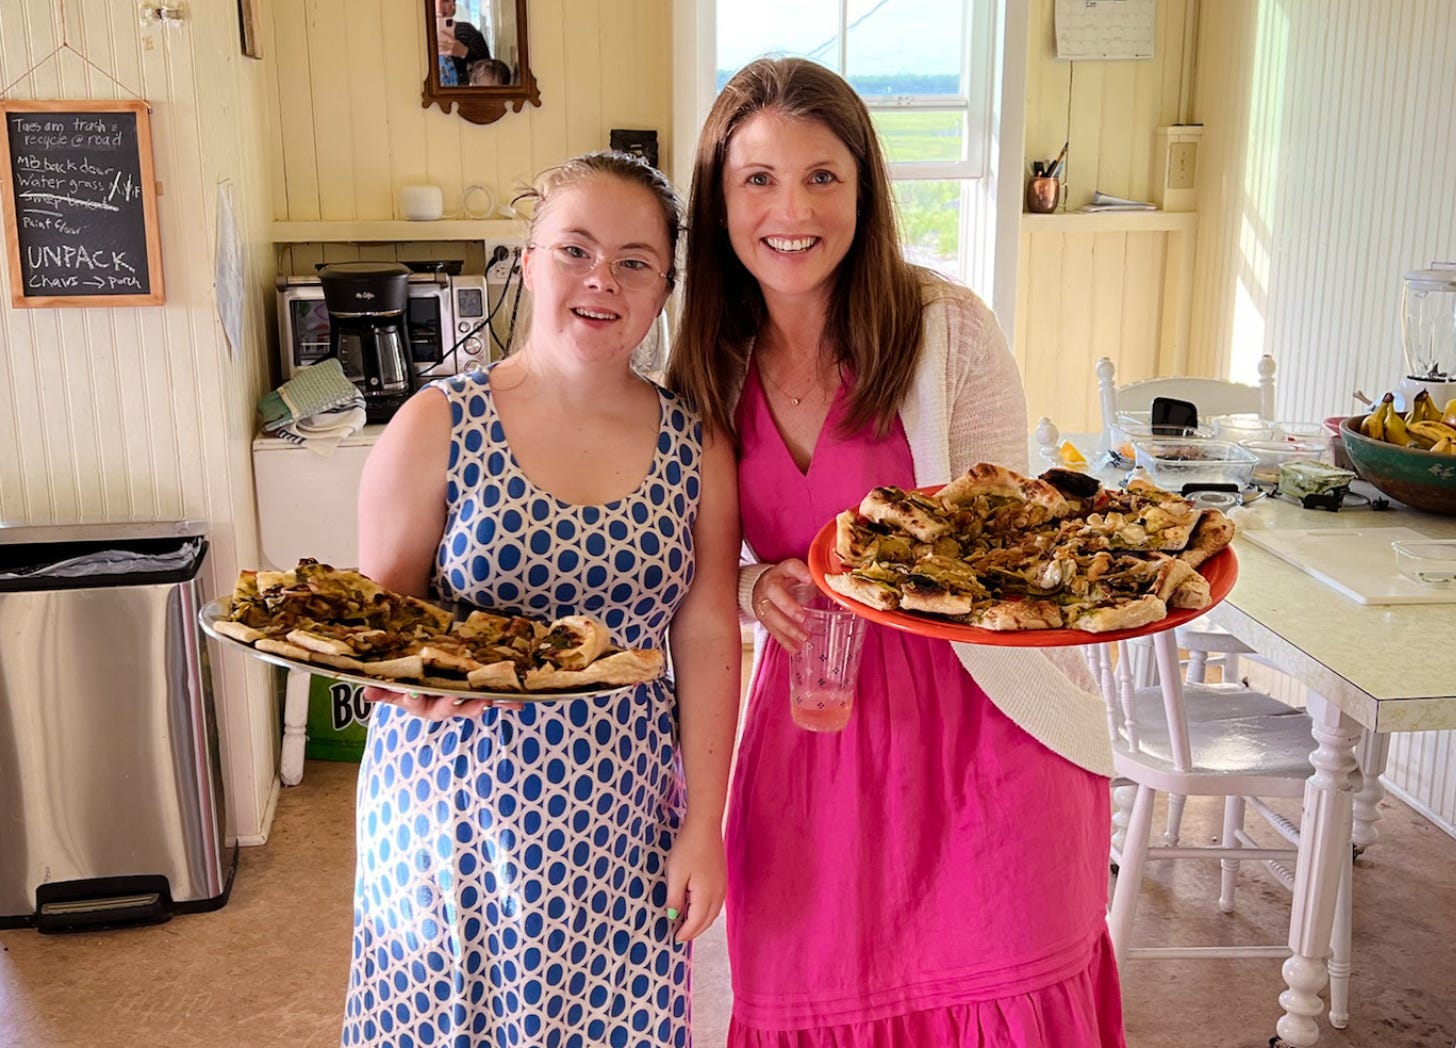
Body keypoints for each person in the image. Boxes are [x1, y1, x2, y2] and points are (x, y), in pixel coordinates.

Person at [666, 58, 1126, 1046]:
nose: (791, 208)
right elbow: (694, 560)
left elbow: (1020, 542)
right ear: (719, 199)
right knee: (813, 996)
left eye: (822, 176)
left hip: (990, 733)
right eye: (758, 179)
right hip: (820, 736)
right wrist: (754, 582)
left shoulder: (946, 329)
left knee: (1002, 1004)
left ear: (865, 189)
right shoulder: (706, 356)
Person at [342, 151, 741, 1048]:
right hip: (449, 823)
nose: (603, 279)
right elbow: (374, 629)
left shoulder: (697, 446)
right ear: (528, 261)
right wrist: (405, 676)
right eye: (575, 249)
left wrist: (705, 824)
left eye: (636, 261)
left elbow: (710, 630)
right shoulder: (437, 423)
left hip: (621, 821)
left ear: (664, 287)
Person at [435, 0, 491, 86]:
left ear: (453, 5)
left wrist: (465, 53)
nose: (439, 8)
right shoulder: (418, 35)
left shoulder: (468, 32)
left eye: (445, 1)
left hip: (466, 96)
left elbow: (489, 70)